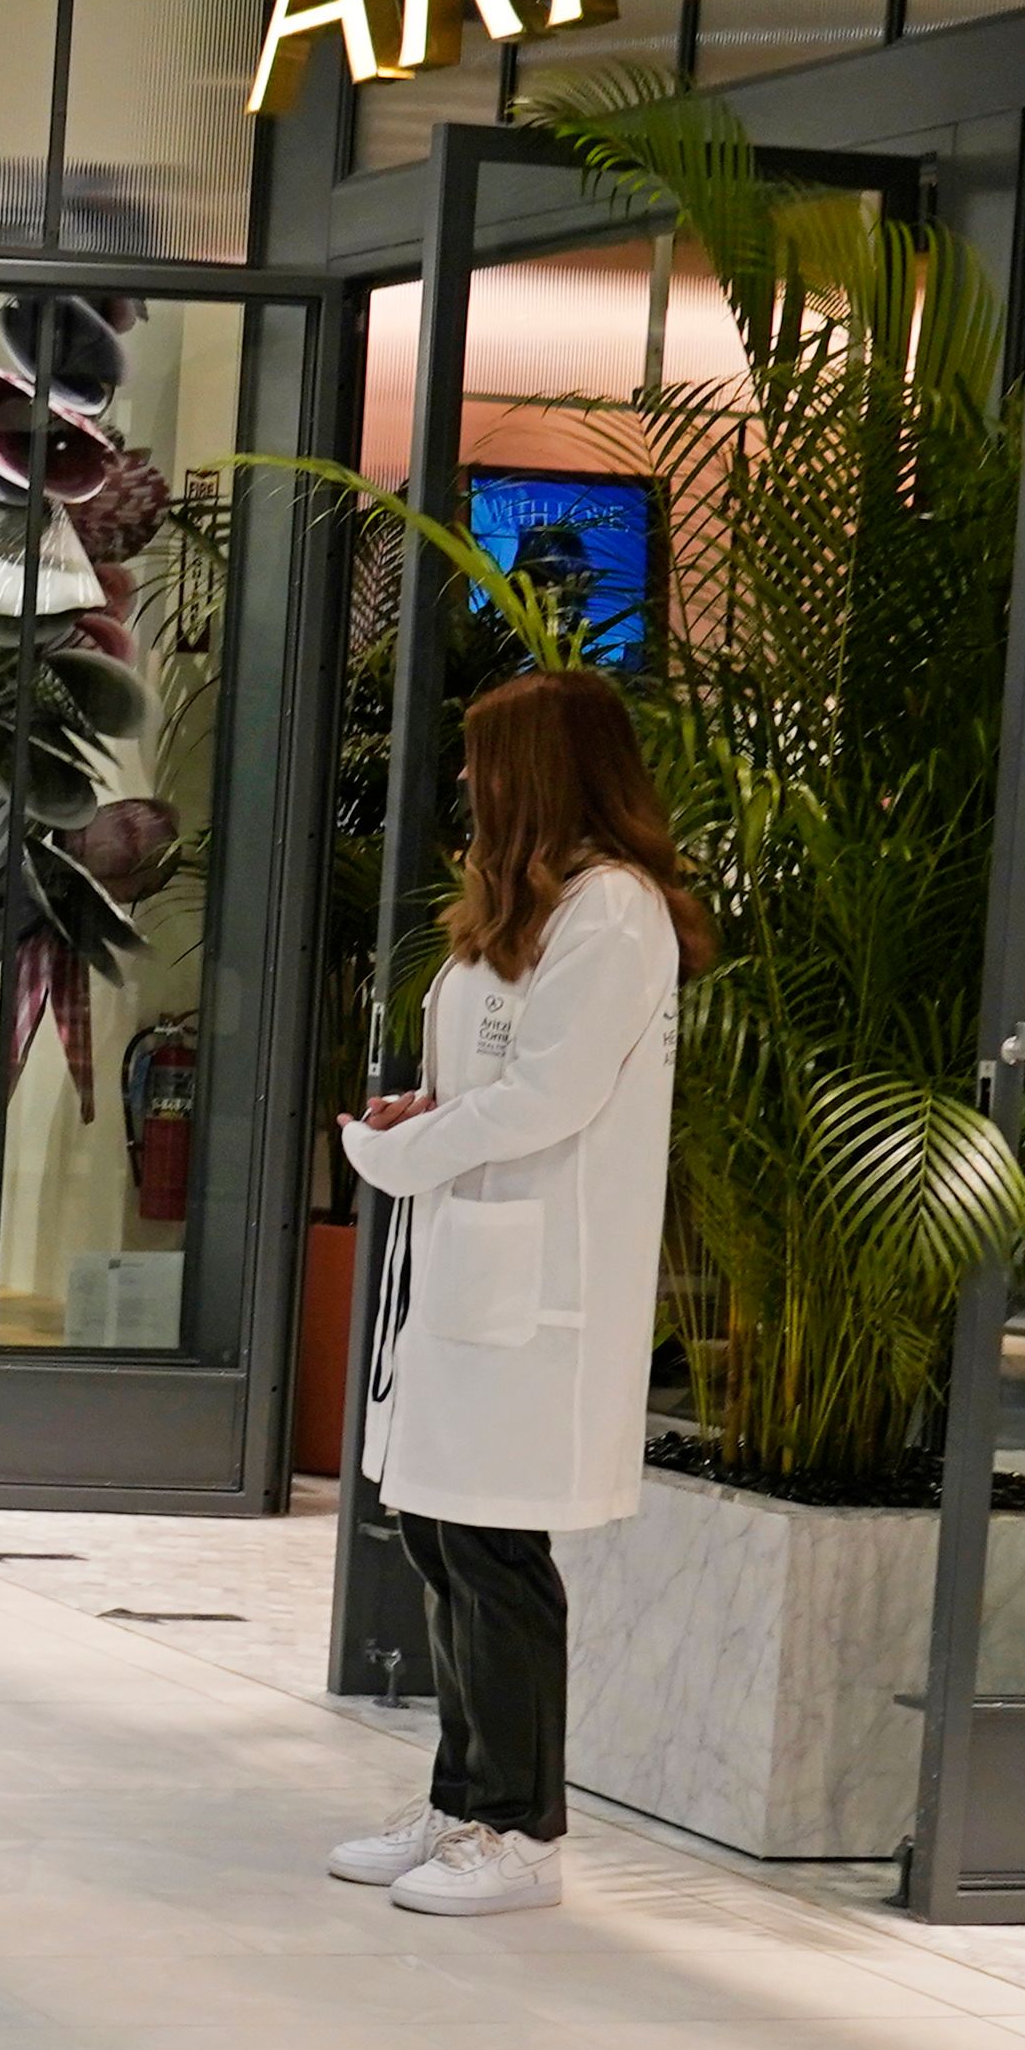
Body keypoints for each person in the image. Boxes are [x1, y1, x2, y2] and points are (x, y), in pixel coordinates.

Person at [331, 667, 702, 1918]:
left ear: (543, 770)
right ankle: (461, 1799)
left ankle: (523, 1831)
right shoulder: (534, 904)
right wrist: (423, 1118)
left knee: (492, 1547)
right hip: (471, 1260)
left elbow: (552, 1096)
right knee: (440, 1532)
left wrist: (400, 1153)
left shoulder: (614, 912)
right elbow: (498, 1074)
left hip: (538, 1285)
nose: (468, 787)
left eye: (487, 763)